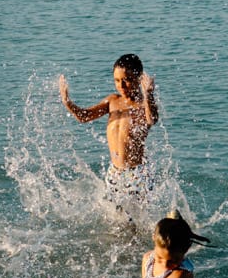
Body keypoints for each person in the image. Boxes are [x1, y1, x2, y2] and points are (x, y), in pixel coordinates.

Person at [59, 54, 159, 210]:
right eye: (117, 81)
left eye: (126, 80)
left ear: (139, 79)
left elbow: (152, 119)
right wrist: (67, 102)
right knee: (116, 221)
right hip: (114, 173)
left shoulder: (143, 105)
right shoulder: (112, 101)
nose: (121, 86)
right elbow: (84, 117)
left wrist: (149, 95)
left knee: (137, 224)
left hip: (137, 173)